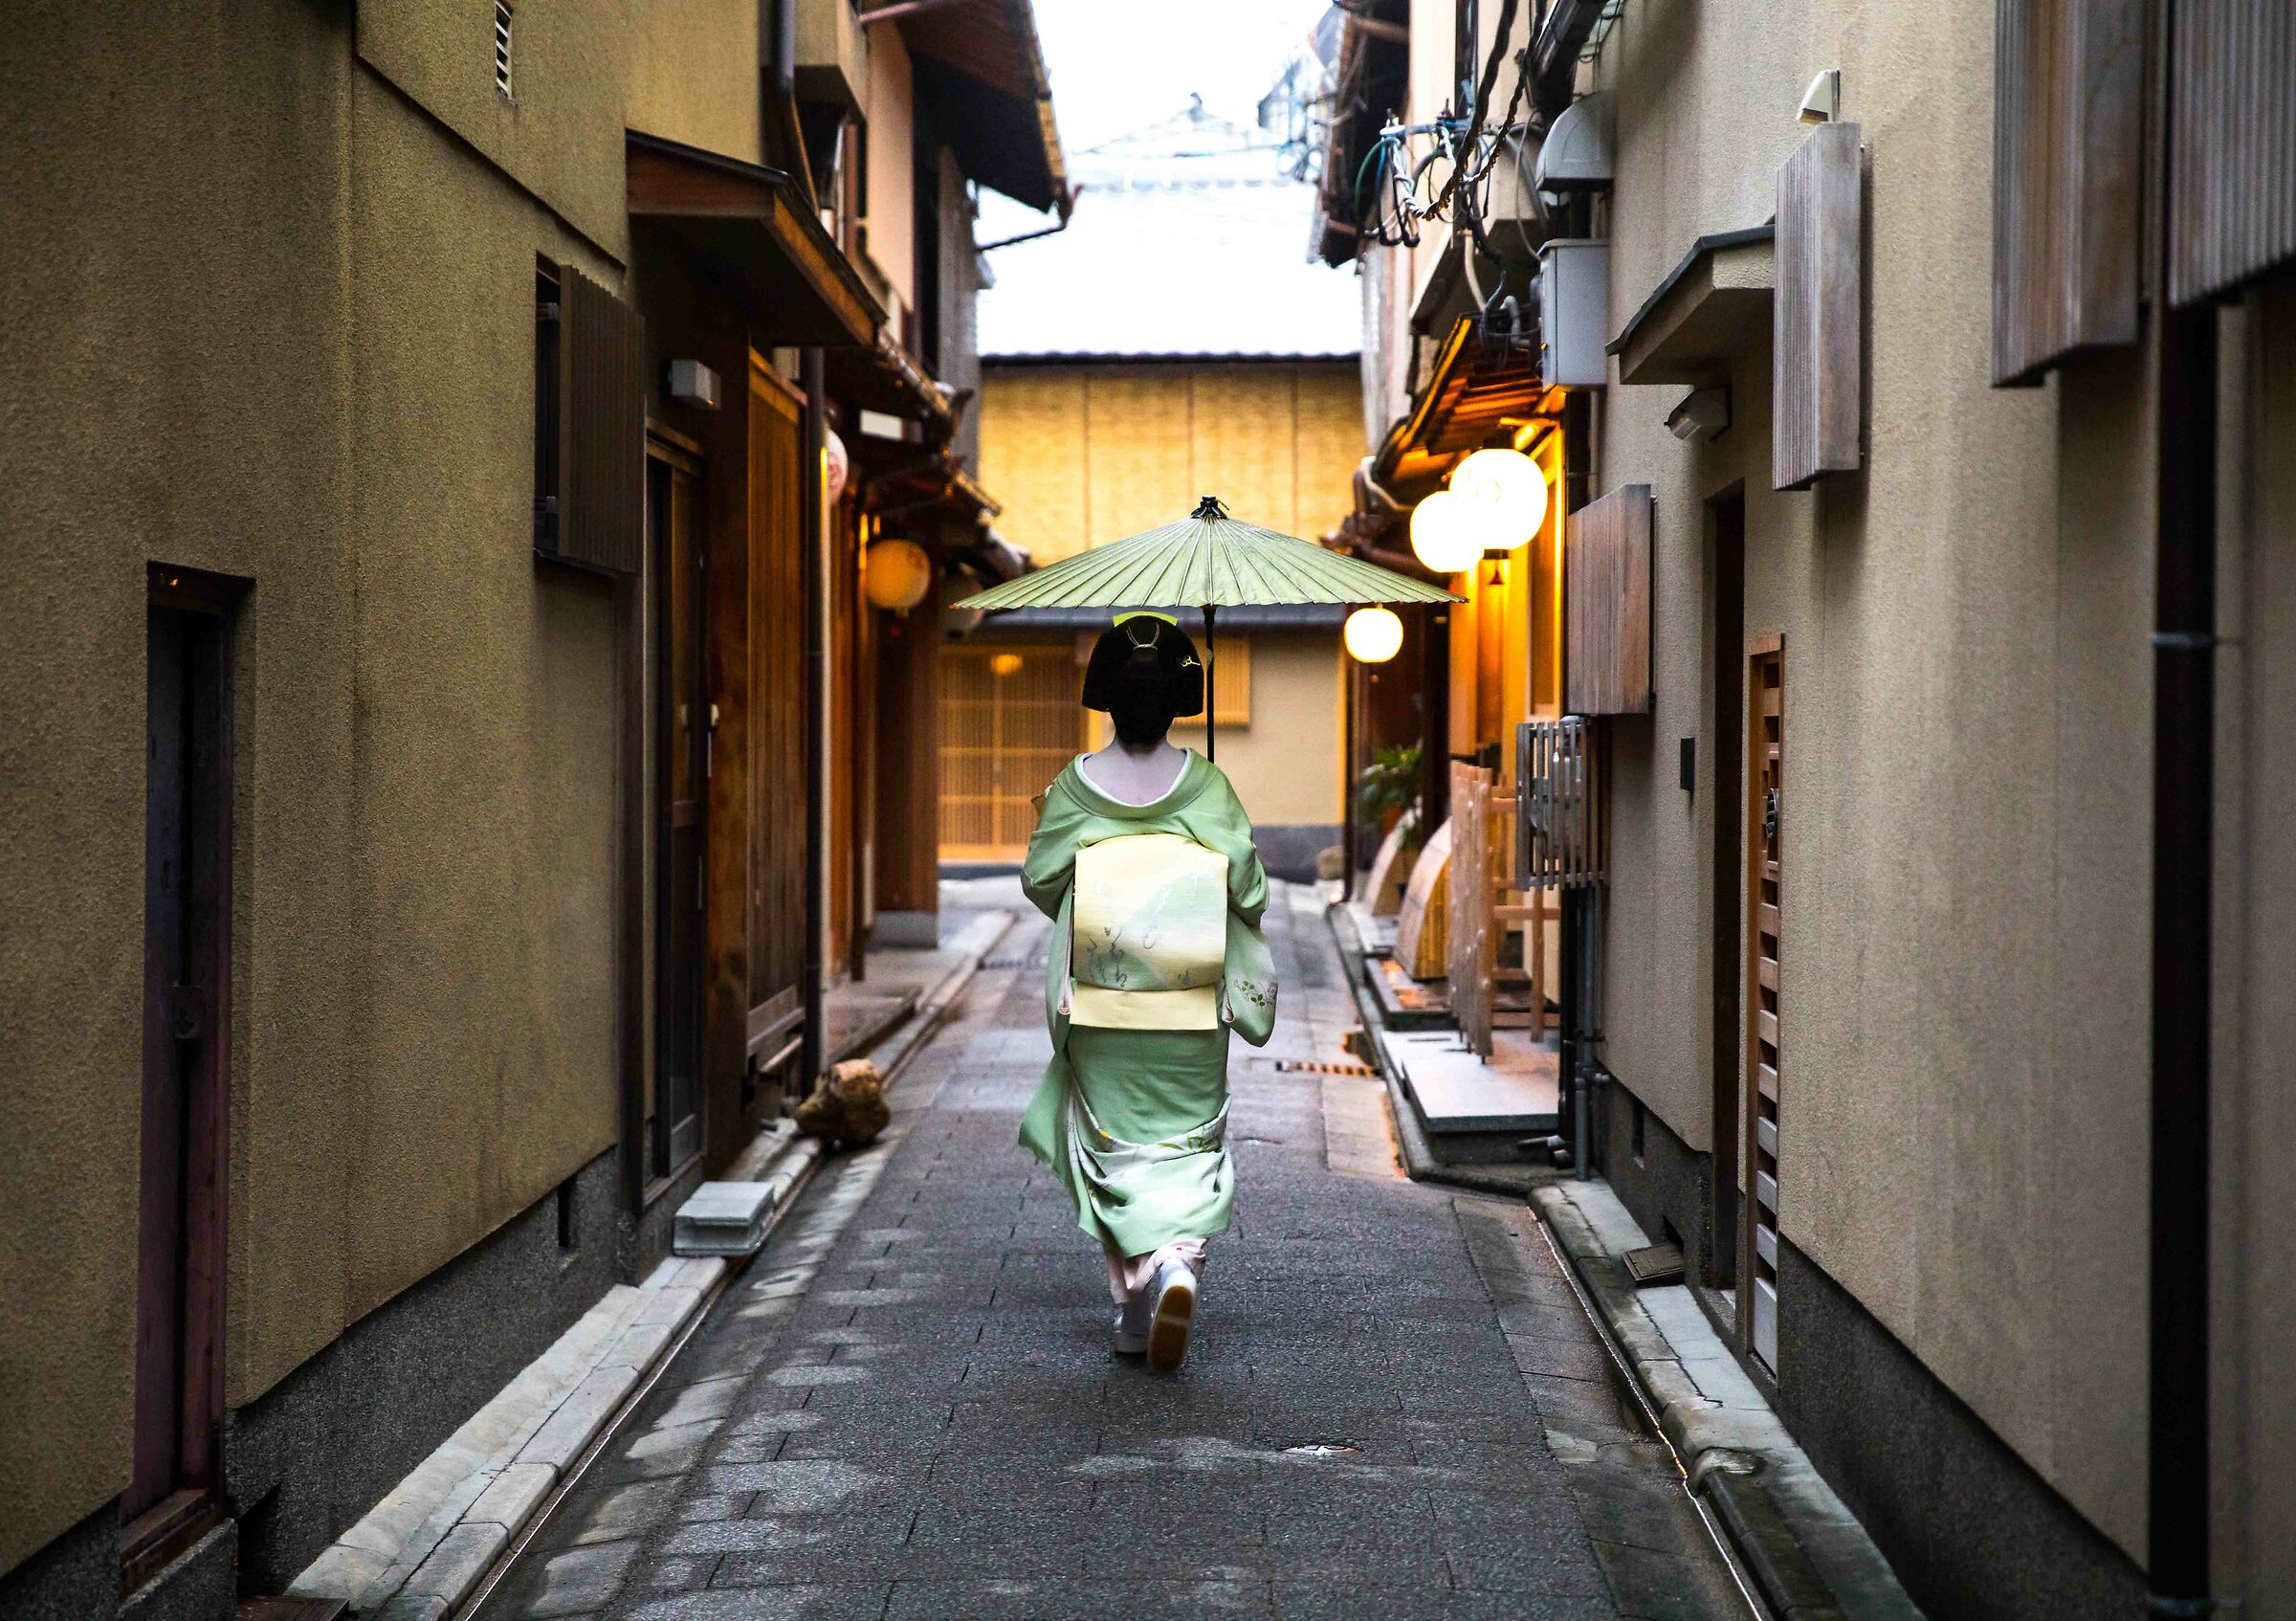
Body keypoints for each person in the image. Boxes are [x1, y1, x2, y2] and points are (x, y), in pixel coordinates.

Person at [1019, 611, 1277, 1372]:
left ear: (1104, 697)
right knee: (1187, 1142)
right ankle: (1174, 1265)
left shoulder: (1074, 786)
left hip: (1100, 1000)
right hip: (1191, 1004)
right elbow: (1251, 892)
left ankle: (1138, 1302)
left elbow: (1041, 882)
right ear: (1179, 703)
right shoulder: (1208, 785)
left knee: (1114, 1148)